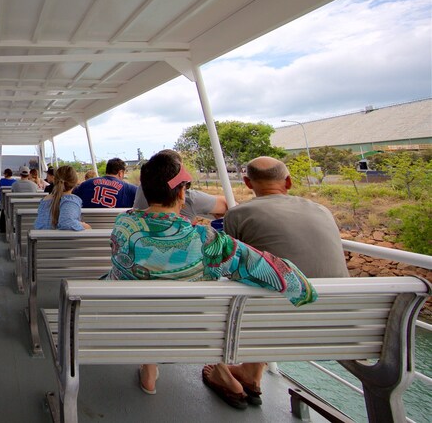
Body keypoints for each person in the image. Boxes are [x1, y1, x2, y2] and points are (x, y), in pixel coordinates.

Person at [106, 152, 316, 406]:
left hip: (125, 324)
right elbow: (267, 270)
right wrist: (305, 290)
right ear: (182, 193)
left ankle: (150, 368)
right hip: (190, 333)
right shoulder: (204, 239)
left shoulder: (122, 225)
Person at [224, 157, 349, 278]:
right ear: (289, 181)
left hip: (281, 297)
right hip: (345, 294)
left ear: (247, 183)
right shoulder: (322, 209)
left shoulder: (237, 214)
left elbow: (228, 265)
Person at [133, 149, 227, 222]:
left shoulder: (126, 223)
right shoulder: (191, 199)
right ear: (180, 192)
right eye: (185, 184)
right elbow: (227, 204)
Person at [33, 166, 90, 231]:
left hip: (41, 240)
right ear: (75, 182)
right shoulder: (70, 201)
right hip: (60, 241)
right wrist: (84, 226)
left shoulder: (45, 200)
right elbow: (67, 223)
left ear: (55, 180)